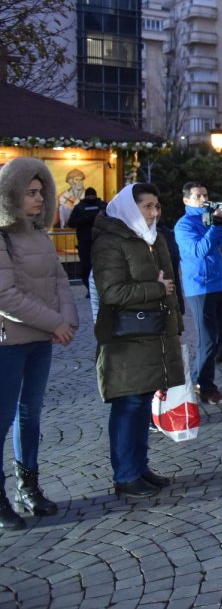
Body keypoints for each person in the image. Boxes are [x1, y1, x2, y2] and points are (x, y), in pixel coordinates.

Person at [91, 182, 185, 498]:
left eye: (157, 206)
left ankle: (140, 467)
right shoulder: (110, 242)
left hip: (153, 333)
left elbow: (172, 284)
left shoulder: (154, 238)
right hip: (125, 338)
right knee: (128, 404)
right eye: (147, 206)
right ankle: (125, 475)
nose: (154, 212)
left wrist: (175, 321)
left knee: (143, 402)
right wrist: (156, 290)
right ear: (131, 208)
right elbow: (111, 292)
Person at [0, 157, 78, 530]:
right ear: (11, 195)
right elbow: (6, 297)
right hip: (9, 343)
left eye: (41, 191)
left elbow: (61, 280)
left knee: (30, 415)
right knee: (2, 421)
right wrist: (56, 323)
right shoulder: (1, 237)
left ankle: (28, 485)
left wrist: (68, 321)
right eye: (30, 192)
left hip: (41, 340)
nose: (38, 198)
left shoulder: (40, 235)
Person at [175, 182, 222, 405]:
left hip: (221, 284)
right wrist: (215, 226)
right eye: (198, 196)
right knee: (208, 340)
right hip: (201, 287)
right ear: (186, 200)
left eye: (206, 194)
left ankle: (200, 379)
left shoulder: (215, 217)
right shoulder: (185, 225)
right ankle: (204, 386)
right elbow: (198, 252)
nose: (204, 199)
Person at [67, 187, 107, 295]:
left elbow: (111, 220)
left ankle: (98, 289)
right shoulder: (81, 207)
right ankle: (92, 289)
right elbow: (71, 222)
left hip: (100, 241)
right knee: (87, 267)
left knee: (100, 266)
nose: (90, 198)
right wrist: (86, 218)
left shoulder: (102, 206)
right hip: (88, 242)